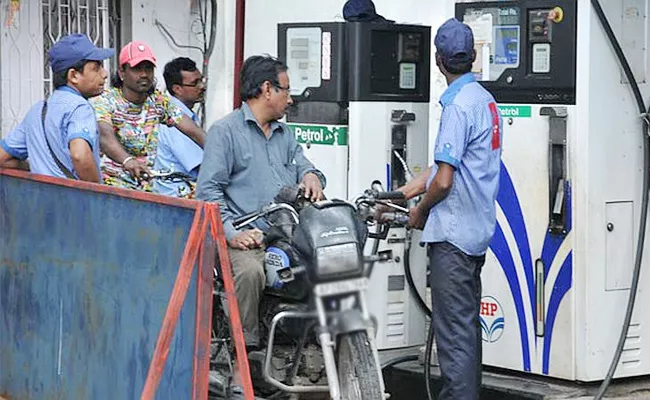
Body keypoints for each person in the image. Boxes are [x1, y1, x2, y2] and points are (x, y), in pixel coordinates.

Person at [396, 18, 502, 400]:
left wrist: (419, 213)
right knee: (464, 331)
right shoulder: (485, 101)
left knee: (454, 337)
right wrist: (401, 193)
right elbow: (443, 168)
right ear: (473, 57)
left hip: (453, 237)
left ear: (438, 60)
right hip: (475, 233)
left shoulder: (456, 106)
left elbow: (443, 181)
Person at [195, 55, 326, 349]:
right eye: (286, 90)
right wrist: (233, 234)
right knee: (251, 273)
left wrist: (312, 176)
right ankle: (245, 356)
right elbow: (207, 194)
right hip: (244, 238)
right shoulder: (225, 132)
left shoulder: (285, 134)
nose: (290, 100)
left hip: (286, 235)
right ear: (267, 89)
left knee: (326, 266)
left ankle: (304, 346)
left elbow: (305, 166)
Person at [91, 41, 206, 191]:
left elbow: (194, 132)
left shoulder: (158, 101)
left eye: (148, 68)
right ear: (122, 73)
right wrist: (128, 161)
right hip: (112, 188)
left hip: (147, 189)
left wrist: (221, 154)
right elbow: (105, 137)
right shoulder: (104, 102)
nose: (144, 74)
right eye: (137, 69)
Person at [0, 34, 113, 181]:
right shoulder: (79, 108)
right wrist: (99, 194)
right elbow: (80, 156)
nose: (104, 74)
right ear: (73, 76)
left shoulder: (37, 110)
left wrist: (35, 167)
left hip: (39, 200)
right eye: (96, 68)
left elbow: (3, 158)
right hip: (74, 201)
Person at [152, 57, 206, 198]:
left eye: (202, 80)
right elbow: (202, 166)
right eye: (195, 83)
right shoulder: (173, 119)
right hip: (177, 197)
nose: (202, 87)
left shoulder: (187, 115)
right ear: (177, 89)